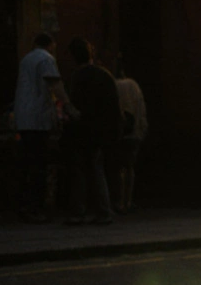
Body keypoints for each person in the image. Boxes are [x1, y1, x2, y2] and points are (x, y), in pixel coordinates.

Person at [14, 33, 75, 222]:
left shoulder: (26, 60)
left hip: (24, 117)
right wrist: (68, 106)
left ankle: (24, 205)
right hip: (38, 117)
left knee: (27, 162)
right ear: (51, 45)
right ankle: (35, 207)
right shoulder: (46, 59)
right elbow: (55, 84)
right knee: (39, 164)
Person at [63, 38, 120, 225]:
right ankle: (103, 210)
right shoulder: (104, 74)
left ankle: (80, 211)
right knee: (97, 170)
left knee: (80, 171)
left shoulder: (77, 77)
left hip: (83, 129)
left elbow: (76, 105)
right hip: (101, 130)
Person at [112, 63, 148, 214]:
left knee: (120, 166)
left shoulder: (114, 86)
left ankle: (120, 201)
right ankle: (128, 200)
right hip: (135, 132)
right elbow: (141, 108)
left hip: (120, 132)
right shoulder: (134, 86)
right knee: (130, 166)